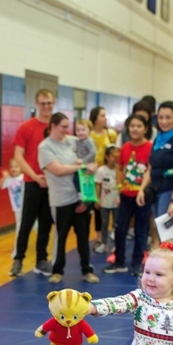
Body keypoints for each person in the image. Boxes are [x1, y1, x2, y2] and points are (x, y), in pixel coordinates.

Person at [38, 112, 100, 285]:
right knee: (61, 236)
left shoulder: (72, 140)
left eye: (68, 126)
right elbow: (57, 169)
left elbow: (90, 152)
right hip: (61, 199)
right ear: (53, 126)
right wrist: (82, 165)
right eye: (63, 127)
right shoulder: (45, 147)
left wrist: (93, 165)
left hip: (80, 198)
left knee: (83, 236)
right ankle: (57, 270)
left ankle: (87, 270)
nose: (67, 130)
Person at [10, 89, 56, 278]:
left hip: (52, 185)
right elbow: (18, 156)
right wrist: (35, 176)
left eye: (49, 103)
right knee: (26, 224)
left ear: (54, 103)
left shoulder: (57, 128)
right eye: (42, 103)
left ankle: (41, 260)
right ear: (37, 104)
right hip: (31, 183)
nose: (46, 107)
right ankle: (18, 260)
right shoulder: (27, 127)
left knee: (46, 224)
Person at [104, 113, 152, 277]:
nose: (135, 129)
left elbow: (150, 170)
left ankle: (137, 263)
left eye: (139, 126)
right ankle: (119, 261)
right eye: (132, 126)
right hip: (125, 195)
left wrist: (142, 189)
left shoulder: (149, 147)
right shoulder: (124, 148)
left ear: (145, 129)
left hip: (142, 196)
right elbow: (119, 167)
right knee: (120, 228)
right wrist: (119, 186)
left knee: (141, 230)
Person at [142, 101, 173, 245]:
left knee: (170, 238)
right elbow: (151, 167)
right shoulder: (159, 138)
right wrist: (142, 189)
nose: (164, 121)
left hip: (170, 192)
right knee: (163, 234)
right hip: (157, 190)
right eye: (161, 117)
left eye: (168, 117)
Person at [94, 146, 120, 255]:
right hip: (104, 202)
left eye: (117, 156)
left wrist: (121, 198)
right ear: (107, 157)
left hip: (117, 202)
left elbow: (122, 185)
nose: (115, 158)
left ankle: (117, 246)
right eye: (113, 156)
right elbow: (98, 185)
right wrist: (97, 199)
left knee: (117, 224)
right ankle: (104, 244)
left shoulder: (120, 170)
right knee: (104, 223)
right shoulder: (101, 170)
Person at [0, 159, 24, 258]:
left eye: (16, 167)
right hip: (18, 209)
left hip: (28, 208)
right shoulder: (9, 180)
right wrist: (4, 178)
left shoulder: (23, 178)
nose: (13, 169)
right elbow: (0, 185)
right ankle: (17, 251)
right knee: (19, 229)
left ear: (21, 168)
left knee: (35, 227)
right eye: (12, 167)